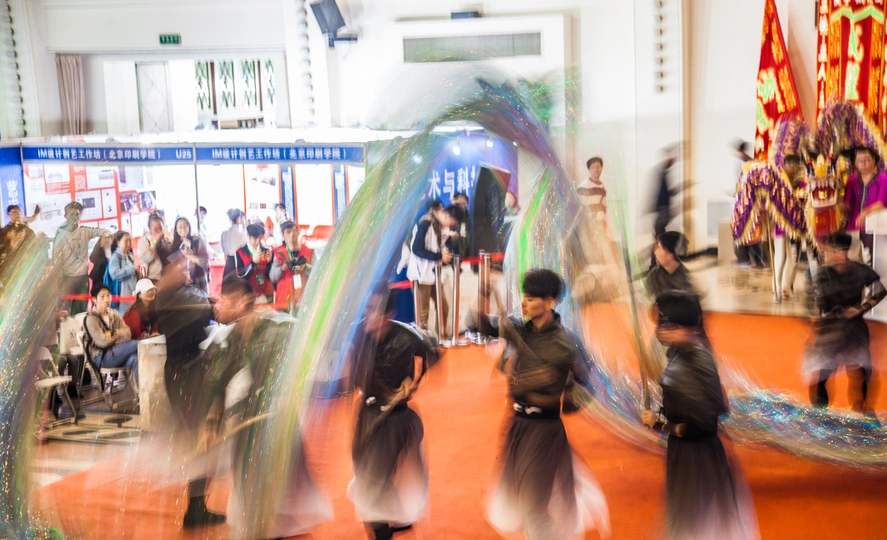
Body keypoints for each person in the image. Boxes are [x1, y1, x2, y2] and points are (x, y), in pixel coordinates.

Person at [485, 269, 610, 540]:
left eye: (531, 298)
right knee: (525, 499)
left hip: (543, 430)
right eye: (524, 296)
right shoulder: (521, 329)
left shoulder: (563, 342)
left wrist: (565, 392)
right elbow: (483, 324)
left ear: (549, 302)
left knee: (534, 506)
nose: (524, 303)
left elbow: (579, 380)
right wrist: (485, 294)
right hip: (518, 425)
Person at [203, 276, 332, 538]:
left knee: (277, 492)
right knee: (252, 493)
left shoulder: (278, 331)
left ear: (243, 303)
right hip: (250, 421)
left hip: (277, 421)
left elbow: (304, 362)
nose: (218, 308)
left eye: (225, 302)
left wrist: (285, 392)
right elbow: (219, 381)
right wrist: (210, 423)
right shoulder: (232, 339)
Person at [642, 291, 758, 539]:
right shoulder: (683, 352)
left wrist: (657, 424)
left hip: (695, 456)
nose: (658, 330)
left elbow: (700, 426)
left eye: (664, 324)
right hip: (688, 452)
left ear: (683, 327)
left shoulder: (692, 365)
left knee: (692, 524)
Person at [348, 287, 439, 540]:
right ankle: (390, 520)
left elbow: (432, 355)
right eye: (367, 309)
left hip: (396, 420)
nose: (369, 316)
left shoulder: (407, 337)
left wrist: (415, 382)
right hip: (368, 415)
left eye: (376, 311)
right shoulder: (358, 334)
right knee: (367, 473)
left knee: (375, 480)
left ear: (389, 314)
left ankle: (382, 530)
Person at [155, 251, 224, 529]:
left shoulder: (180, 292)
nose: (184, 270)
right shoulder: (167, 296)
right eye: (179, 267)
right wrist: (215, 306)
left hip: (191, 368)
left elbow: (204, 307)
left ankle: (197, 507)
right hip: (183, 373)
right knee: (200, 438)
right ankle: (194, 510)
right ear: (167, 271)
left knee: (203, 438)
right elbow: (203, 309)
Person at [803, 231, 886, 413]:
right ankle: (820, 414)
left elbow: (880, 290)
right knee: (823, 374)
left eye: (833, 251)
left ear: (843, 252)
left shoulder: (858, 271)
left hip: (851, 329)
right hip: (831, 329)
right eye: (828, 251)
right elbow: (818, 302)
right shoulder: (825, 273)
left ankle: (861, 408)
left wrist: (860, 308)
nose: (828, 255)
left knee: (861, 372)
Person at [407, 203, 457, 334]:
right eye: (452, 222)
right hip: (422, 275)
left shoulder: (439, 226)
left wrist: (443, 254)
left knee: (444, 308)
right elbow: (417, 249)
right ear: (446, 215)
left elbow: (436, 247)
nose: (452, 225)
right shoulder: (426, 223)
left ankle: (440, 338)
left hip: (434, 274)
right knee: (423, 314)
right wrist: (439, 256)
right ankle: (423, 343)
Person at [53, 202, 111, 315]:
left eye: (77, 214)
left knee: (82, 309)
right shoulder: (60, 234)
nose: (75, 217)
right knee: (65, 309)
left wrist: (105, 236)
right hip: (67, 277)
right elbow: (57, 259)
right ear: (65, 216)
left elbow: (102, 231)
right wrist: (60, 278)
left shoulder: (84, 231)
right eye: (71, 214)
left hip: (82, 276)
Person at [83, 284, 139, 386]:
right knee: (138, 345)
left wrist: (114, 333)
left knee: (136, 358)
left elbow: (128, 332)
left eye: (108, 295)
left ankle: (141, 391)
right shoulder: (91, 319)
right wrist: (117, 337)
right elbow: (103, 342)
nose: (107, 299)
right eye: (102, 297)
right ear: (94, 300)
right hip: (101, 357)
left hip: (117, 353)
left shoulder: (114, 314)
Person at [842, 147, 887, 265]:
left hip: (874, 225)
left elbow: (881, 204)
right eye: (859, 161)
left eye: (866, 160)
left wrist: (865, 214)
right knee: (852, 259)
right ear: (855, 163)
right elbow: (847, 204)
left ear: (874, 160)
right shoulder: (852, 180)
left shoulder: (882, 179)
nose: (863, 164)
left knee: (872, 260)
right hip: (853, 225)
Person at [773, 155, 807, 301]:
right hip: (780, 225)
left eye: (795, 164)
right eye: (790, 164)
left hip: (797, 225)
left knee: (793, 258)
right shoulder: (778, 181)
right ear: (784, 165)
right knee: (780, 257)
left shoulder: (803, 182)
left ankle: (787, 287)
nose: (792, 168)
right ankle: (776, 289)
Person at [731, 141, 765, 269]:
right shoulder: (744, 164)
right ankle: (744, 259)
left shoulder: (752, 165)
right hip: (742, 203)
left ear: (742, 151)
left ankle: (756, 260)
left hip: (750, 204)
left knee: (752, 232)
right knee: (740, 231)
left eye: (739, 151)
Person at [270, 220, 311, 310]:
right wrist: (282, 269)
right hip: (285, 298)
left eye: (294, 231)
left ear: (298, 232)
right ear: (283, 235)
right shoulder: (279, 253)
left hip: (304, 296)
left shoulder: (308, 251)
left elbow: (316, 270)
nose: (292, 235)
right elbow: (273, 277)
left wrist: (305, 267)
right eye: (288, 232)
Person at [646, 231, 699, 300]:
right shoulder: (654, 274)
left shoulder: (684, 285)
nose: (655, 252)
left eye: (659, 248)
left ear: (670, 255)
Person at [235, 223, 274, 303]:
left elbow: (269, 275)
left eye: (260, 239)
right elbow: (240, 275)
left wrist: (269, 263)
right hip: (247, 295)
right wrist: (253, 263)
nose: (257, 242)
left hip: (264, 293)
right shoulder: (240, 252)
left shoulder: (265, 251)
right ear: (248, 235)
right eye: (255, 238)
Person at [172, 217, 210, 293]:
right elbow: (173, 267)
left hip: (199, 280)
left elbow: (204, 262)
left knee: (202, 299)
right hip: (182, 284)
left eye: (185, 226)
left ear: (189, 227)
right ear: (176, 229)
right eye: (180, 227)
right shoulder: (174, 245)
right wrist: (183, 277)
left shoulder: (197, 241)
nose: (183, 229)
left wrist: (188, 255)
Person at [652, 145, 680, 239]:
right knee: (660, 234)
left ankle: (660, 244)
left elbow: (666, 193)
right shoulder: (661, 173)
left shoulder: (663, 173)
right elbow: (663, 194)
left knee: (660, 233)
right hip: (662, 211)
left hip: (663, 211)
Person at [107, 230, 138, 312]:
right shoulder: (115, 257)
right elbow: (114, 275)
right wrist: (132, 269)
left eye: (130, 241)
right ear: (118, 242)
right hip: (122, 293)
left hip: (132, 291)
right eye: (126, 241)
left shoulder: (130, 255)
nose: (129, 243)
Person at [137, 213, 171, 283]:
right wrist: (156, 242)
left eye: (160, 228)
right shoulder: (144, 241)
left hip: (167, 275)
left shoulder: (166, 239)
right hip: (153, 278)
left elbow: (170, 253)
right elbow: (146, 259)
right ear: (150, 228)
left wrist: (163, 241)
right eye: (155, 229)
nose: (159, 231)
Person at [578, 157, 607, 221]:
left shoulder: (602, 187)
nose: (595, 170)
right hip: (589, 224)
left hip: (601, 223)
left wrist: (605, 223)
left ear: (601, 168)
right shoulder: (584, 186)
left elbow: (604, 208)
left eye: (598, 167)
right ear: (589, 169)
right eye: (593, 167)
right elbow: (579, 209)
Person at [221, 209, 247, 279]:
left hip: (229, 262)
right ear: (239, 219)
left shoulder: (224, 234)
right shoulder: (241, 234)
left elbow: (224, 251)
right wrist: (244, 226)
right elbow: (245, 247)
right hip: (239, 262)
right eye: (242, 218)